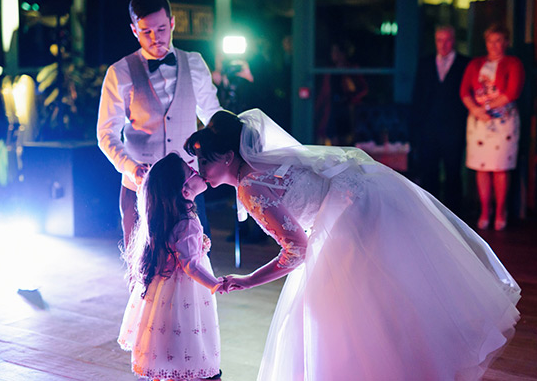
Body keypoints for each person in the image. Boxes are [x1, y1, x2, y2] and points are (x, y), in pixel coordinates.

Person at [185, 109, 520, 381]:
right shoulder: (263, 166)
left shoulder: (250, 187)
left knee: (339, 314)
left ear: (229, 156)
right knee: (384, 300)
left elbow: (297, 250)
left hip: (351, 219)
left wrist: (247, 280)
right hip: (366, 196)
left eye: (205, 163)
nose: (201, 172)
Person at [97, 0, 222, 248]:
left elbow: (213, 119)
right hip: (140, 187)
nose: (156, 38)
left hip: (188, 183)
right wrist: (131, 168)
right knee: (143, 269)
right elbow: (106, 134)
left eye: (162, 29)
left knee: (198, 261)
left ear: (173, 23)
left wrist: (209, 172)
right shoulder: (119, 73)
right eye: (146, 32)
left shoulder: (195, 63)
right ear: (134, 30)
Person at [118, 152, 222, 381]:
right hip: (187, 292)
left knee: (169, 338)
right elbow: (191, 266)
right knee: (190, 335)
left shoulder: (169, 218)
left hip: (167, 291)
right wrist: (216, 284)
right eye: (192, 172)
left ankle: (169, 372)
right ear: (185, 191)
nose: (198, 171)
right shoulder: (188, 222)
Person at [460, 23, 525, 231]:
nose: (494, 45)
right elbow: (464, 91)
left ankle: (500, 211)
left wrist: (487, 107)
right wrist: (476, 110)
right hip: (479, 121)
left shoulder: (513, 63)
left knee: (499, 168)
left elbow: (512, 92)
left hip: (502, 122)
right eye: (490, 41)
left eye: (498, 41)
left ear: (505, 42)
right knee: (482, 167)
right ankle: (485, 210)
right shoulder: (475, 63)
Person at [411, 25, 470, 215]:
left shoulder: (464, 63)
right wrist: (417, 128)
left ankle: (454, 215)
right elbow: (417, 96)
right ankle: (431, 213)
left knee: (453, 172)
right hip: (428, 127)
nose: (443, 45)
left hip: (454, 128)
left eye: (447, 40)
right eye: (439, 40)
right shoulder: (425, 63)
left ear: (453, 41)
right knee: (429, 171)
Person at [315, 41, 368, 145]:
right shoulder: (330, 70)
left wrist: (350, 98)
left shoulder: (352, 69)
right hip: (332, 108)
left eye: (336, 51)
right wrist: (316, 109)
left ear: (343, 53)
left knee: (345, 138)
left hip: (346, 109)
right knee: (329, 135)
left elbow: (363, 89)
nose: (333, 54)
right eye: (332, 51)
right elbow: (324, 92)